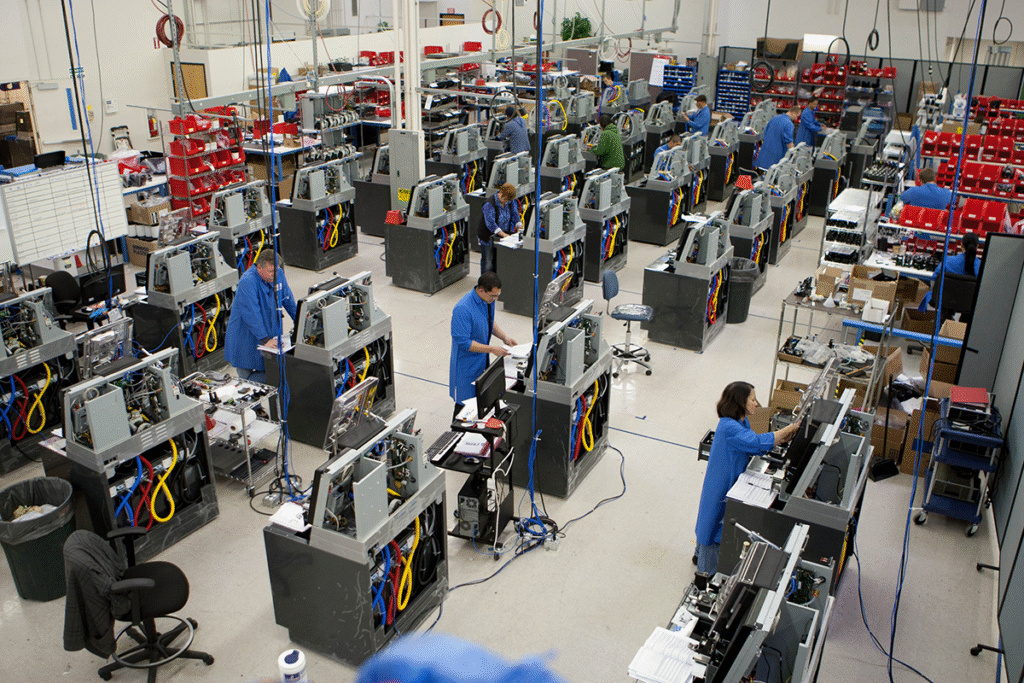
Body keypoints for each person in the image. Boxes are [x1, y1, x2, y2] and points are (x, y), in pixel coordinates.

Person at [693, 382, 800, 575]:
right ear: (741, 402)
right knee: (712, 524)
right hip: (721, 485)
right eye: (753, 399)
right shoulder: (728, 426)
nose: (756, 404)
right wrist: (786, 430)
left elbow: (751, 443)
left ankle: (700, 555)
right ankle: (705, 572)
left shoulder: (741, 422)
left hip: (730, 479)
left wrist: (777, 439)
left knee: (710, 524)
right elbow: (755, 442)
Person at [225, 249, 297, 384]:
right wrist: (265, 339)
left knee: (272, 370)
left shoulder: (278, 274)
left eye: (276, 270)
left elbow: (288, 299)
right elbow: (251, 314)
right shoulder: (248, 281)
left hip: (268, 329)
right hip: (245, 335)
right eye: (270, 271)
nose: (274, 275)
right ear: (259, 267)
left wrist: (299, 321)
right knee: (247, 379)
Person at [449, 272, 517, 416]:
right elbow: (464, 343)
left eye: (497, 295)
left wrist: (504, 337)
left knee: (481, 401)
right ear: (481, 290)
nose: (495, 299)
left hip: (481, 359)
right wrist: (492, 349)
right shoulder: (463, 309)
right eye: (493, 296)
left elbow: (489, 321)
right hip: (466, 366)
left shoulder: (487, 301)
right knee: (464, 406)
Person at [477, 182, 522, 274]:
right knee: (488, 263)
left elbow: (514, 213)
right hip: (488, 238)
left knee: (498, 262)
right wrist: (504, 235)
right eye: (505, 199)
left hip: (502, 237)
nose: (506, 202)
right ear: (500, 193)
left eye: (508, 200)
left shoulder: (509, 202)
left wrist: (519, 225)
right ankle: (486, 280)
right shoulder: (489, 204)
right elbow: (491, 224)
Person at [754, 106, 800, 170]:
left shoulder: (774, 118)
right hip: (775, 158)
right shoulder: (789, 124)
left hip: (763, 155)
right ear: (793, 113)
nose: (796, 119)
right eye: (797, 116)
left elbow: (765, 133)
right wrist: (794, 153)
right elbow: (789, 142)